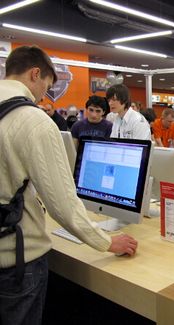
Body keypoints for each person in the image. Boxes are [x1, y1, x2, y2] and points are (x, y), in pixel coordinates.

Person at [0, 45, 137, 325]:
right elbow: (62, 204)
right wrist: (106, 242)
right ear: (35, 73)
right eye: (46, 86)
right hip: (16, 260)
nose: (43, 96)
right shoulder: (34, 121)